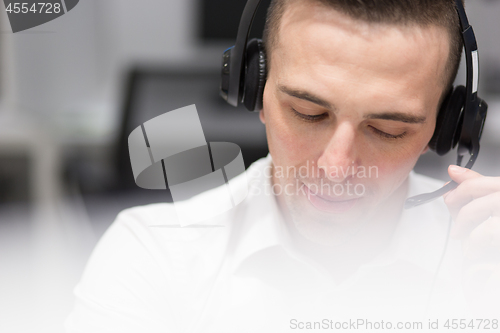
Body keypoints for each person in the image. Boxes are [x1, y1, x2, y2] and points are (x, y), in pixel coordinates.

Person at [66, 0, 500, 332]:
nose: (336, 167)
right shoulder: (152, 255)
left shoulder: (482, 258)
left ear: (446, 130)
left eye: (387, 130)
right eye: (308, 113)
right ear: (254, 91)